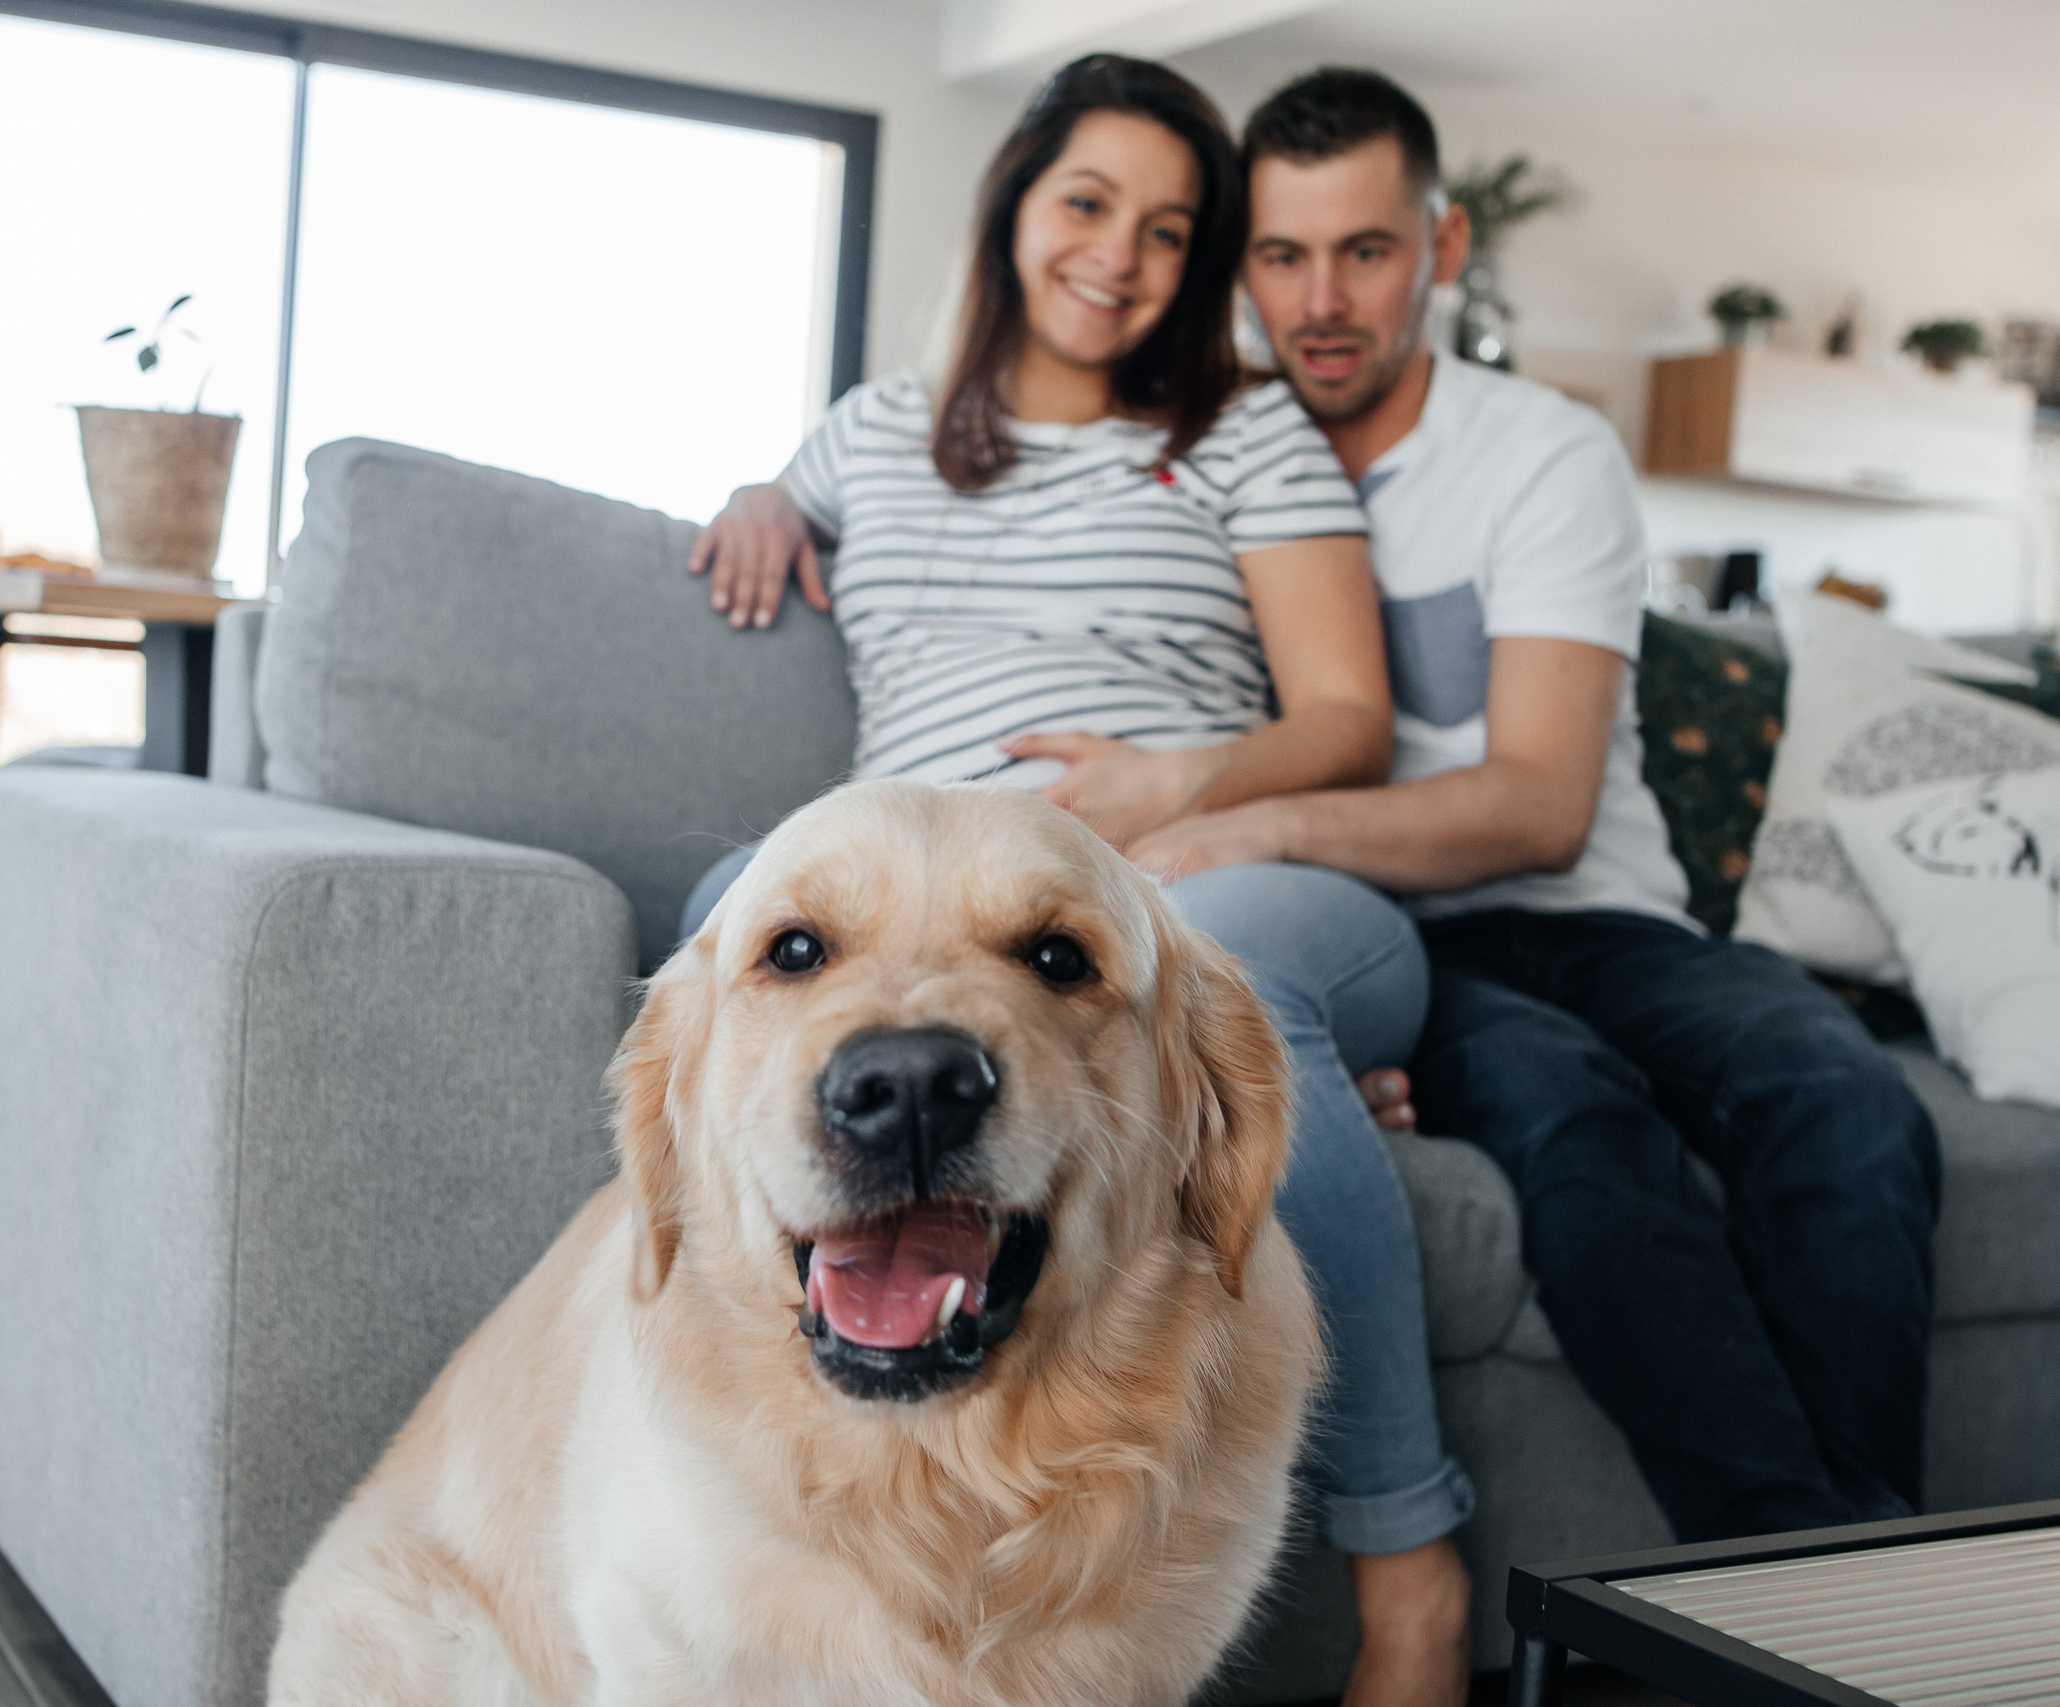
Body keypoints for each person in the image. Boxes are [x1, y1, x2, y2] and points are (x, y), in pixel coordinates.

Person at [683, 55, 1476, 1707]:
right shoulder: (878, 433)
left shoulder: (1245, 435)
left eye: (1173, 231)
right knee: (720, 932)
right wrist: (761, 491)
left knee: (1232, 965)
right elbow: (786, 497)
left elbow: (1347, 718)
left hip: (1209, 872)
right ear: (1016, 207)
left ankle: (1409, 1581)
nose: (1121, 256)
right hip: (927, 907)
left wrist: (1166, 801)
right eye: (1088, 205)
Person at [1120, 67, 1940, 1547]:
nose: (1320, 300)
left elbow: (1542, 808)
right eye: (1283, 255)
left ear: (1438, 250)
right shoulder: (1202, 464)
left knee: (1852, 1108)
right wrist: (778, 496)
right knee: (1582, 1141)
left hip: (1605, 916)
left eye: (1365, 252)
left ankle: (1842, 1589)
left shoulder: (1541, 452)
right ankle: (1817, 1599)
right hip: (1408, 949)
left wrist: (1258, 828)